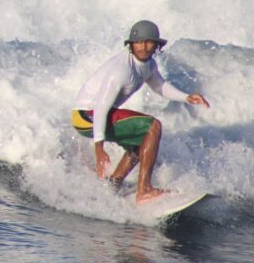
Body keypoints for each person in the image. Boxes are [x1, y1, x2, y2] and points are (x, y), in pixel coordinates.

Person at [72, 20, 210, 204]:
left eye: (149, 42)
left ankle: (113, 185)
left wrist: (187, 97)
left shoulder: (149, 64)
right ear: (131, 44)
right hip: (87, 116)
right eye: (139, 42)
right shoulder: (121, 70)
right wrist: (99, 148)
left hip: (95, 115)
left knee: (144, 139)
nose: (143, 47)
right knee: (152, 127)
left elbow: (160, 86)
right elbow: (101, 107)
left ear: (157, 45)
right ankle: (144, 190)